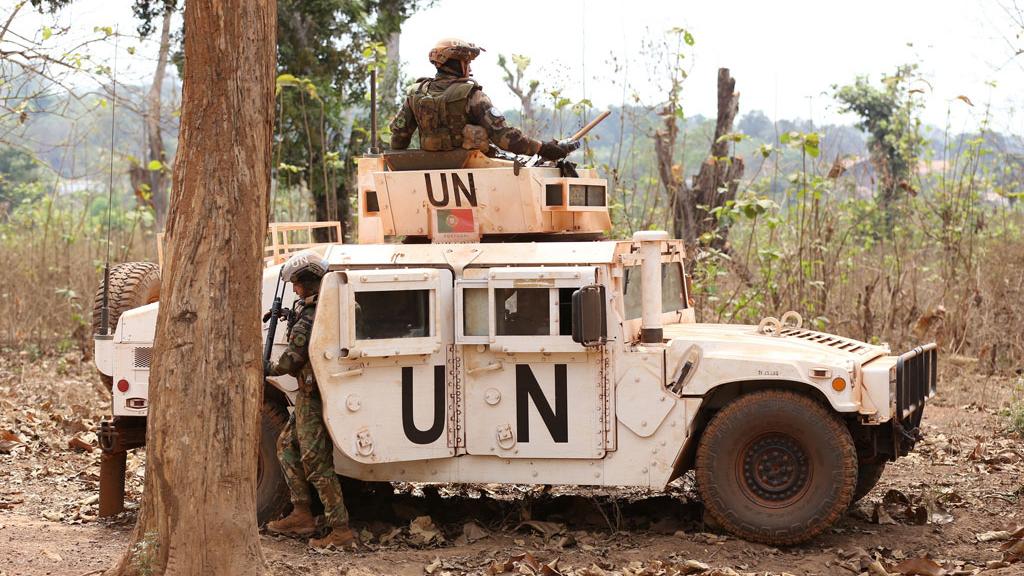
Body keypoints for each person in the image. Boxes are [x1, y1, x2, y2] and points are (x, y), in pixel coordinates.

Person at [265, 250, 353, 549]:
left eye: (297, 284)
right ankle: (301, 513)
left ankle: (340, 530)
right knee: (286, 446)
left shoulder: (312, 314)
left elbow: (291, 361)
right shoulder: (317, 308)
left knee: (316, 462)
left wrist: (266, 368)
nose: (294, 290)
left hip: (314, 397)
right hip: (308, 395)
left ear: (310, 282)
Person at [389, 37, 580, 160]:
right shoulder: (473, 96)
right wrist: (543, 148)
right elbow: (504, 137)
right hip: (472, 171)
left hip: (429, 172)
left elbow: (399, 138)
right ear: (457, 64)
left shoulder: (415, 93)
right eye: (467, 62)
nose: (470, 68)